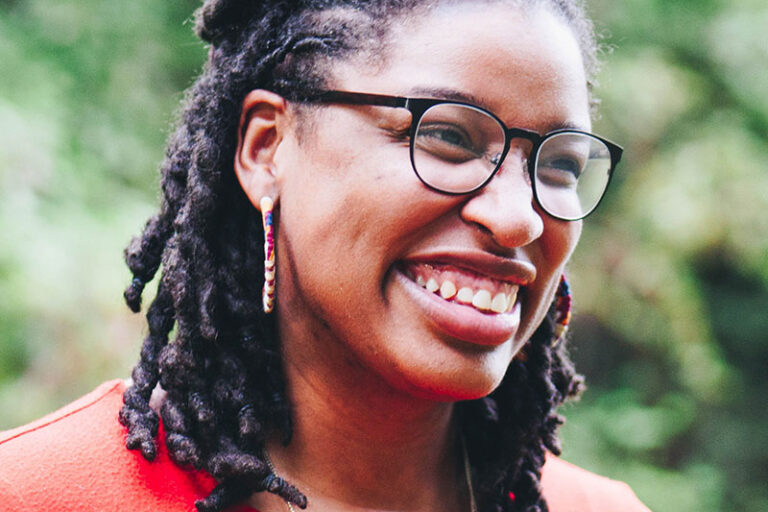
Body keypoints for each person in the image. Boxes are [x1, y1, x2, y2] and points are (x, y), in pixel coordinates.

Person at [0, 1, 650, 511]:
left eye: (559, 165)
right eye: (449, 136)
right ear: (266, 148)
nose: (517, 217)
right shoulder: (39, 496)